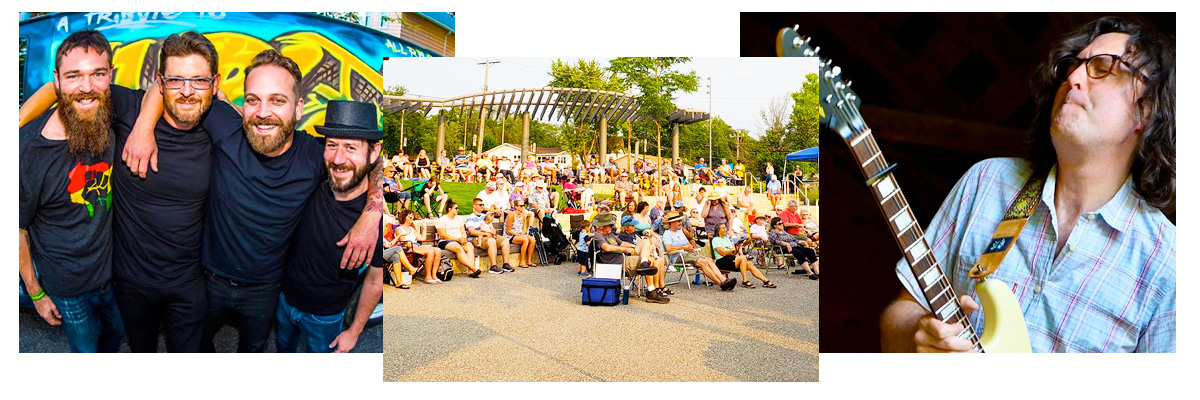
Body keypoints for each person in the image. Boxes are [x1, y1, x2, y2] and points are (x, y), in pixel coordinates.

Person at [881, 17, 1175, 353]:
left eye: (1103, 67)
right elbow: (901, 312)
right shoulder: (988, 183)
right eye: (1072, 66)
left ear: (1146, 109)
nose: (1073, 78)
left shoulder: (1170, 266)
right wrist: (918, 334)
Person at [19, 30, 125, 353]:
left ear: (111, 76)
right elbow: (15, 229)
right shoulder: (28, 153)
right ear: (57, 81)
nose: (87, 86)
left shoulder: (110, 111)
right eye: (73, 76)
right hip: (68, 286)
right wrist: (35, 292)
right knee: (85, 349)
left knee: (116, 335)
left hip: (115, 274)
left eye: (98, 74)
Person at [276, 100, 384, 353]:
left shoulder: (375, 226)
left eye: (350, 148)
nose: (338, 158)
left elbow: (374, 281)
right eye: (332, 145)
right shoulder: (314, 175)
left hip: (325, 317)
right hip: (283, 301)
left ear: (373, 151)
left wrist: (354, 332)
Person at [661, 212, 737, 291]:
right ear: (672, 223)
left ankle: (723, 280)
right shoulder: (667, 234)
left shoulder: (680, 232)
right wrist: (683, 247)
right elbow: (668, 249)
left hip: (688, 254)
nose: (680, 223)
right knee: (702, 262)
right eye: (678, 221)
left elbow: (687, 243)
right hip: (678, 257)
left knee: (709, 260)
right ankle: (720, 283)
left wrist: (690, 247)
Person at [710, 224, 775, 289]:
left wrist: (737, 248)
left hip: (731, 259)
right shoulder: (715, 240)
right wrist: (732, 249)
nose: (726, 230)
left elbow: (733, 252)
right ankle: (745, 281)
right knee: (743, 258)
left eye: (725, 228)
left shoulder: (726, 239)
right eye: (723, 228)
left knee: (750, 264)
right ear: (718, 230)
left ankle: (765, 280)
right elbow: (723, 253)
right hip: (721, 261)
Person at [434, 200, 483, 279]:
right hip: (446, 241)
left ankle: (470, 270)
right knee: (457, 247)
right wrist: (457, 239)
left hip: (459, 239)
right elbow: (443, 235)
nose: (458, 210)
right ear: (449, 209)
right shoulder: (442, 220)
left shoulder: (459, 218)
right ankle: (473, 268)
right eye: (456, 208)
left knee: (469, 246)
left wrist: (463, 238)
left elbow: (463, 231)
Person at [466, 198, 514, 274]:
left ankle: (506, 264)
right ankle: (493, 266)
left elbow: (491, 227)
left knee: (505, 240)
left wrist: (493, 233)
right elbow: (472, 232)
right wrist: (485, 234)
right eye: (480, 205)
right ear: (474, 206)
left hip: (488, 235)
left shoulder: (485, 216)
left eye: (483, 205)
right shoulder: (471, 217)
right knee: (491, 241)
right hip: (477, 238)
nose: (482, 206)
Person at [393, 210, 441, 285]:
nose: (412, 218)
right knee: (430, 251)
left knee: (438, 250)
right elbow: (404, 242)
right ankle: (428, 276)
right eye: (410, 217)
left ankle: (434, 275)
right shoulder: (399, 229)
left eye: (413, 216)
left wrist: (424, 227)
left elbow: (422, 239)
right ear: (404, 218)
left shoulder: (412, 229)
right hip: (407, 247)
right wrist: (418, 246)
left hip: (415, 246)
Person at [506, 196, 538, 268]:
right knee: (525, 239)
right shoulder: (511, 215)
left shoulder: (523, 215)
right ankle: (522, 261)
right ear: (516, 207)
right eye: (521, 206)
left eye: (523, 205)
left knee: (532, 239)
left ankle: (529, 260)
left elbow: (522, 228)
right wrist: (518, 235)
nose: (523, 207)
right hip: (510, 236)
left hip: (518, 234)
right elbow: (508, 231)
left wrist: (523, 233)